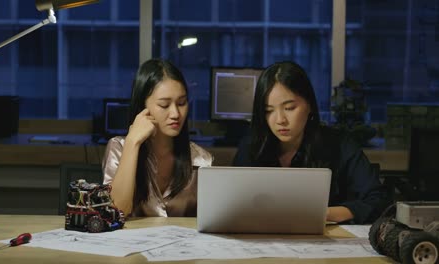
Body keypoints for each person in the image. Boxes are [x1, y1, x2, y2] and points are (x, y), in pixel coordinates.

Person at [233, 61, 390, 224]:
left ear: (309, 106)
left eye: (289, 108)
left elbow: (378, 201)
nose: (280, 120)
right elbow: (232, 204)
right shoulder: (252, 147)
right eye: (269, 111)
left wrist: (323, 214)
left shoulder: (340, 145)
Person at [103, 58, 213, 217]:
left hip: (181, 241)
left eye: (181, 103)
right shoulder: (119, 147)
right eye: (164, 105)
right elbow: (116, 211)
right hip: (133, 241)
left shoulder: (201, 159)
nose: (175, 114)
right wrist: (133, 142)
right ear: (143, 108)